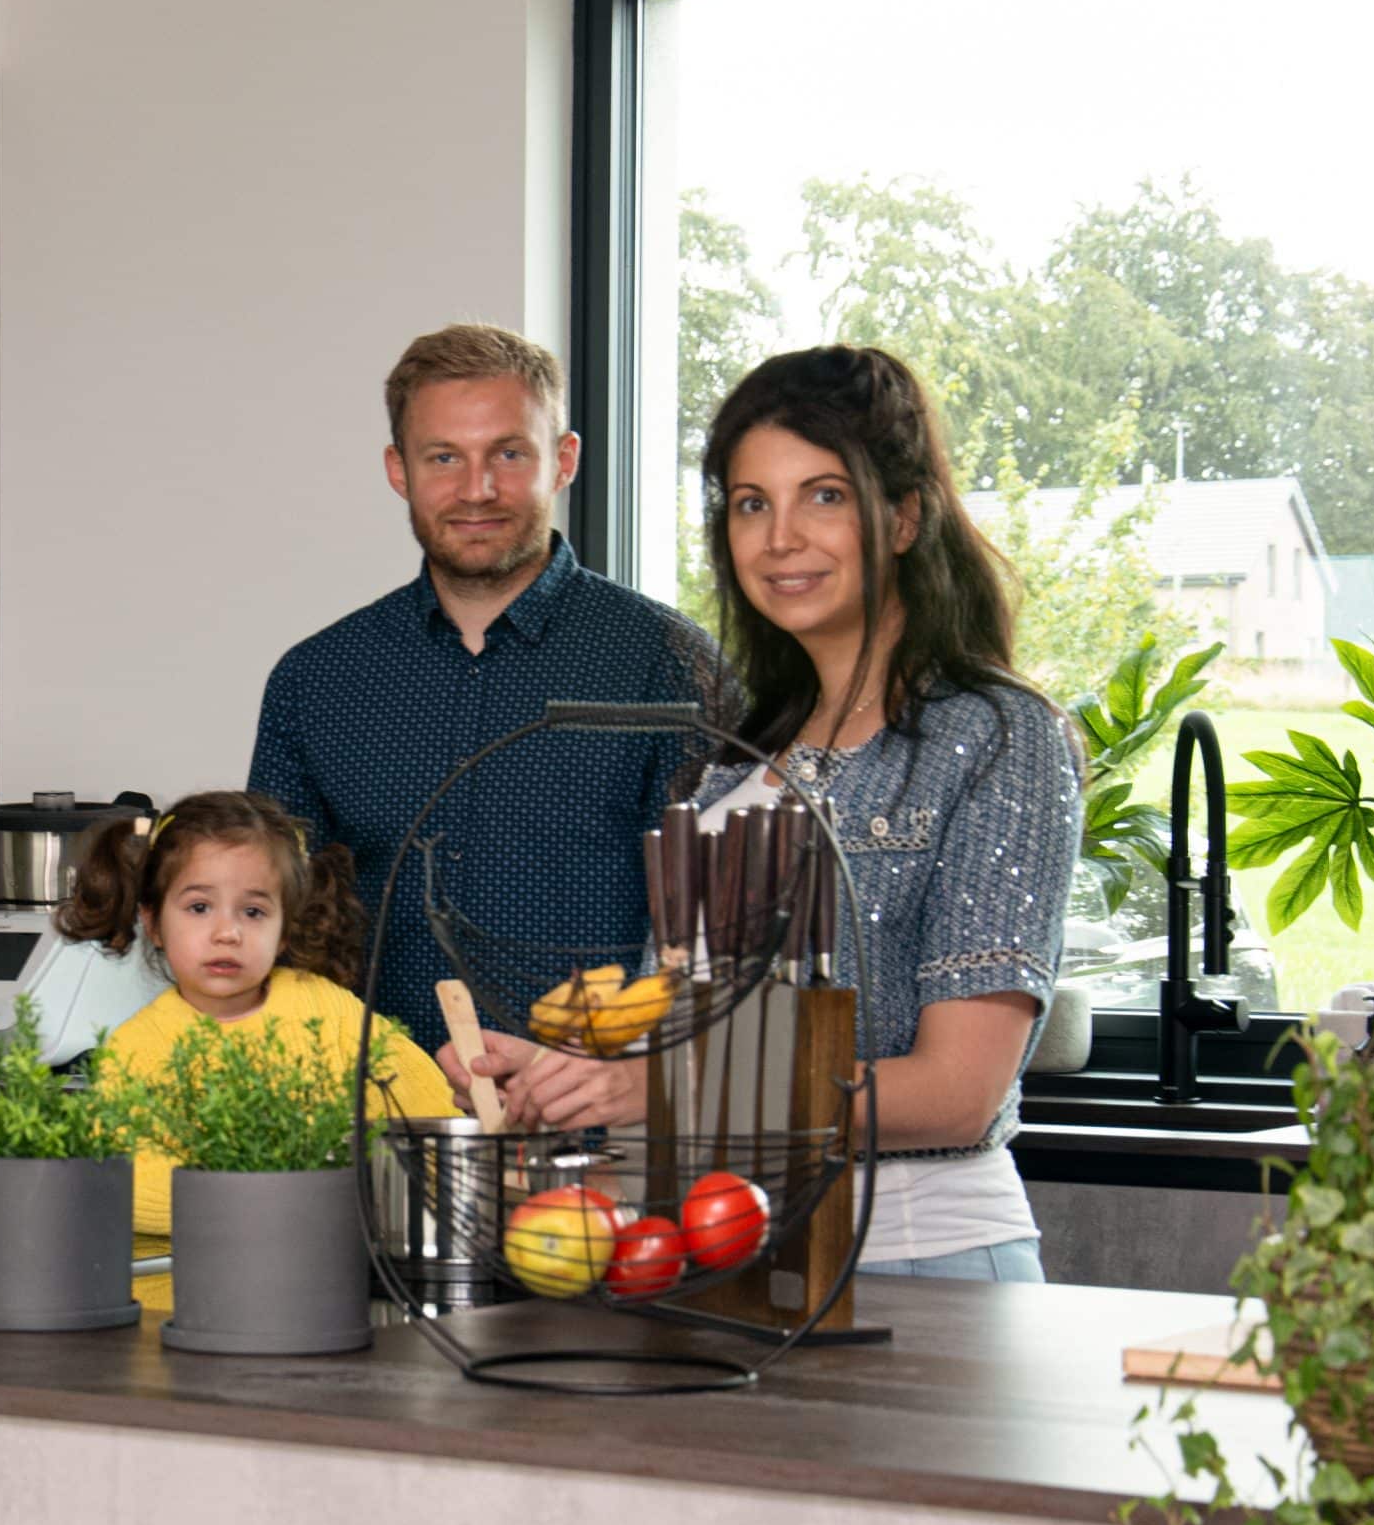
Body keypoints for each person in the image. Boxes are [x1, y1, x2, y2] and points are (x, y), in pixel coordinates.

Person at [445, 344, 1082, 1282]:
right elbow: (713, 1045)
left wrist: (657, 1092)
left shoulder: (995, 736)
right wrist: (567, 1076)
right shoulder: (739, 756)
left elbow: (958, 1091)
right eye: (752, 503)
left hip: (920, 1259)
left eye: (823, 495)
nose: (780, 537)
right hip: (731, 1255)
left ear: (904, 516)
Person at [249, 323, 727, 1046]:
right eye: (444, 457)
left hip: (603, 1139)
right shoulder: (314, 682)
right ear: (398, 470)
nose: (477, 489)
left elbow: (721, 942)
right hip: (368, 1126)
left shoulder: (671, 664)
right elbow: (268, 925)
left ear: (563, 461)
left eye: (508, 453)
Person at [58, 790, 457, 1299]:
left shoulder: (328, 1012)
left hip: (320, 1292)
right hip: (178, 1302)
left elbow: (426, 1116)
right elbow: (127, 1179)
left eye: (253, 912)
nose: (227, 933)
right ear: (154, 923)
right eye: (200, 907)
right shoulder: (139, 1047)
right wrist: (267, 1189)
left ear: (285, 927)